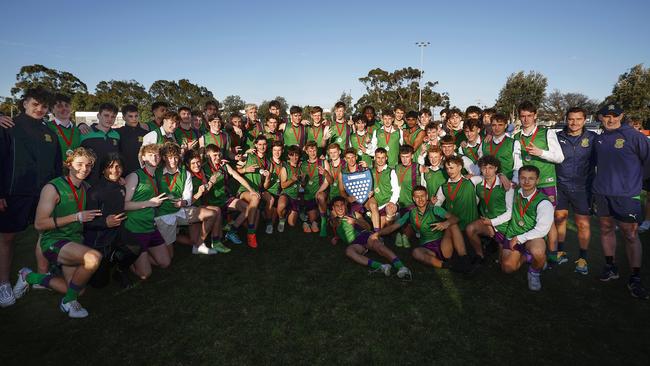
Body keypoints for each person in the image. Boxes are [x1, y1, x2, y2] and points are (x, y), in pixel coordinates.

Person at [13, 148, 103, 318]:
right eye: (79, 164)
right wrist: (75, 217)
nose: (84, 169)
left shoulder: (86, 187)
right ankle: (68, 302)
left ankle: (29, 277)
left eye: (88, 165)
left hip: (74, 241)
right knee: (93, 258)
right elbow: (39, 224)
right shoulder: (53, 187)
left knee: (79, 289)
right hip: (53, 241)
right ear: (68, 165)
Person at [0, 88, 61, 308]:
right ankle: (3, 283)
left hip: (43, 194)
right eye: (35, 104)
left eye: (44, 106)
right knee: (7, 238)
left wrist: (56, 193)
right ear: (25, 103)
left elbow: (56, 169)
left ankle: (39, 276)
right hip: (13, 193)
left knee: (44, 234)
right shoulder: (8, 126)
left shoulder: (50, 133)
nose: (39, 109)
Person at [593, 103, 649, 299]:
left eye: (614, 116)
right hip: (602, 193)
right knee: (607, 229)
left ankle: (635, 277)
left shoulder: (634, 136)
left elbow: (647, 161)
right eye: (606, 116)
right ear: (600, 117)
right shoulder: (599, 139)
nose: (610, 119)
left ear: (621, 116)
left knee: (631, 235)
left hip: (626, 195)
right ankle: (611, 266)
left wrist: (637, 183)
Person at [513, 101, 564, 266]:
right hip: (526, 184)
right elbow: (517, 163)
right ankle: (532, 249)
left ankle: (552, 255)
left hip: (545, 183)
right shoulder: (516, 136)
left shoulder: (546, 133)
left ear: (535, 115)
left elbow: (559, 157)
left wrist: (540, 152)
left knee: (549, 221)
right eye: (523, 116)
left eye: (529, 115)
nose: (526, 119)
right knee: (528, 216)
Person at [374, 185, 469, 271]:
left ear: (427, 196)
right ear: (413, 199)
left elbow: (455, 218)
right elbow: (393, 227)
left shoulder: (435, 209)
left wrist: (445, 223)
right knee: (416, 252)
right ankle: (449, 266)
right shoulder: (410, 214)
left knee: (453, 225)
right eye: (417, 197)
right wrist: (377, 233)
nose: (420, 199)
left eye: (422, 196)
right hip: (428, 249)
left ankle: (464, 258)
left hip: (443, 245)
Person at [154, 142, 216, 256]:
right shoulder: (156, 172)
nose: (173, 161)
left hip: (180, 210)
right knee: (169, 258)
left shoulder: (185, 173)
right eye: (169, 157)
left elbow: (187, 196)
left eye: (176, 157)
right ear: (164, 158)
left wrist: (184, 201)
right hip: (164, 214)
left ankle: (198, 245)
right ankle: (161, 238)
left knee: (212, 214)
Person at [554, 107, 596, 274]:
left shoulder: (593, 138)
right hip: (561, 186)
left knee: (583, 225)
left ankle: (583, 258)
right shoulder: (557, 138)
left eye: (578, 119)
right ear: (566, 119)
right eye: (571, 119)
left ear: (585, 120)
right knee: (560, 220)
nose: (574, 122)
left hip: (582, 189)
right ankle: (560, 252)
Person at [497, 165, 553, 291]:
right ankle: (528, 257)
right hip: (513, 233)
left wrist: (520, 238)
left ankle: (534, 272)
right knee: (507, 268)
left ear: (537, 181)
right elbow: (508, 211)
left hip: (532, 237)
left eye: (531, 179)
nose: (526, 182)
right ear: (519, 178)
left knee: (538, 251)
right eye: (523, 178)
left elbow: (542, 229)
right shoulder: (512, 192)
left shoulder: (544, 202)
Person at [330, 197, 411, 279]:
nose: (340, 207)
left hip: (364, 235)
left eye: (342, 205)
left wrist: (355, 221)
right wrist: (336, 237)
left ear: (346, 205)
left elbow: (368, 227)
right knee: (349, 251)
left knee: (378, 247)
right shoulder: (334, 221)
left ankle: (401, 267)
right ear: (333, 208)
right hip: (355, 243)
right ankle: (382, 266)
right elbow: (340, 231)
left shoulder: (354, 214)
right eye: (337, 206)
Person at [83, 153, 132, 288]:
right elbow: (86, 223)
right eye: (110, 167)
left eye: (118, 167)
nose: (114, 170)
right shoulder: (94, 192)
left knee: (136, 246)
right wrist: (105, 222)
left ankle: (119, 269)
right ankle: (107, 260)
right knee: (99, 284)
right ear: (103, 169)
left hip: (117, 235)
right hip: (99, 240)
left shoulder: (121, 186)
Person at [123, 144, 171, 279]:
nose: (154, 157)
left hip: (150, 226)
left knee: (165, 263)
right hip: (135, 228)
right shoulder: (134, 176)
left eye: (157, 155)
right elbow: (123, 205)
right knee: (145, 274)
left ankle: (141, 255)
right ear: (143, 157)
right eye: (150, 154)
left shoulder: (155, 177)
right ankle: (125, 263)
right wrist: (149, 203)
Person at [465, 155, 514, 263]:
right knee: (470, 229)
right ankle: (480, 256)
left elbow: (510, 212)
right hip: (486, 222)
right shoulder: (478, 183)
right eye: (484, 168)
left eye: (490, 168)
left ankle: (495, 243)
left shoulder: (506, 185)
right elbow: (465, 180)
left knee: (504, 263)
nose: (487, 171)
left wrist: (492, 222)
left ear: (496, 168)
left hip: (503, 224)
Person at [204, 144, 252, 245]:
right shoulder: (203, 168)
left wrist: (251, 190)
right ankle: (221, 229)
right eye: (214, 155)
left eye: (219, 155)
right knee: (219, 236)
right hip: (212, 202)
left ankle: (231, 231)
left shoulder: (224, 165)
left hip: (226, 199)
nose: (218, 157)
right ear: (208, 156)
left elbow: (238, 177)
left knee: (247, 208)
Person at [184, 148, 229, 253]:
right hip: (189, 208)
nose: (197, 165)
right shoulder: (186, 176)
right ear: (187, 164)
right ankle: (196, 245)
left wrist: (210, 183)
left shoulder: (201, 172)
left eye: (198, 162)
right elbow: (186, 201)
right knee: (193, 241)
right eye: (193, 163)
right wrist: (201, 191)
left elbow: (205, 192)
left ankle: (215, 241)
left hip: (198, 206)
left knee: (217, 210)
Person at [235, 136, 266, 248]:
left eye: (264, 144)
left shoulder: (266, 160)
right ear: (256, 145)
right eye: (260, 144)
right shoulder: (248, 156)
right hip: (244, 190)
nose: (262, 146)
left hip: (256, 191)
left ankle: (246, 230)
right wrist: (245, 170)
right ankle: (251, 235)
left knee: (256, 214)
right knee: (255, 198)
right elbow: (236, 170)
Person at [80, 103, 120, 185]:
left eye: (113, 117)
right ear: (98, 115)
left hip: (110, 181)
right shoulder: (84, 133)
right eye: (106, 115)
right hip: (88, 181)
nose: (110, 119)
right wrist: (80, 125)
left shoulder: (116, 135)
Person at [394, 145, 421, 248]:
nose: (405, 160)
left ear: (412, 156)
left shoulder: (418, 167)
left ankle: (404, 236)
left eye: (407, 156)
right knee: (401, 222)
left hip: (412, 203)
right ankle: (402, 235)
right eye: (402, 157)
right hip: (400, 203)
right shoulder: (397, 167)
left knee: (410, 223)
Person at [480, 113, 521, 180]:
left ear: (505, 126)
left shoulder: (514, 143)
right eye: (494, 125)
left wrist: (514, 181)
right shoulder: (484, 142)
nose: (497, 128)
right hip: (488, 183)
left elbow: (518, 166)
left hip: (506, 182)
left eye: (500, 125)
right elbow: (480, 164)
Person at [300, 141, 329, 233]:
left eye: (315, 151)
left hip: (321, 192)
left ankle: (323, 221)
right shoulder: (303, 164)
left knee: (320, 196)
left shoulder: (323, 162)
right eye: (310, 151)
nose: (313, 153)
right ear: (307, 152)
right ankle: (311, 220)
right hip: (309, 194)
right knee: (313, 217)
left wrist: (318, 192)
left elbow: (327, 181)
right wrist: (303, 181)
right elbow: (302, 184)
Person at [47, 93, 81, 163]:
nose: (64, 108)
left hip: (76, 172)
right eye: (59, 106)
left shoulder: (79, 130)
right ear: (52, 109)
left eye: (67, 105)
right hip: (55, 172)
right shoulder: (47, 127)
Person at [116, 104, 148, 175]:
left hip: (143, 172)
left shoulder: (146, 133)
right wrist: (84, 124)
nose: (134, 119)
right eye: (130, 116)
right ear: (124, 118)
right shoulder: (118, 132)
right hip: (124, 173)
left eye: (136, 116)